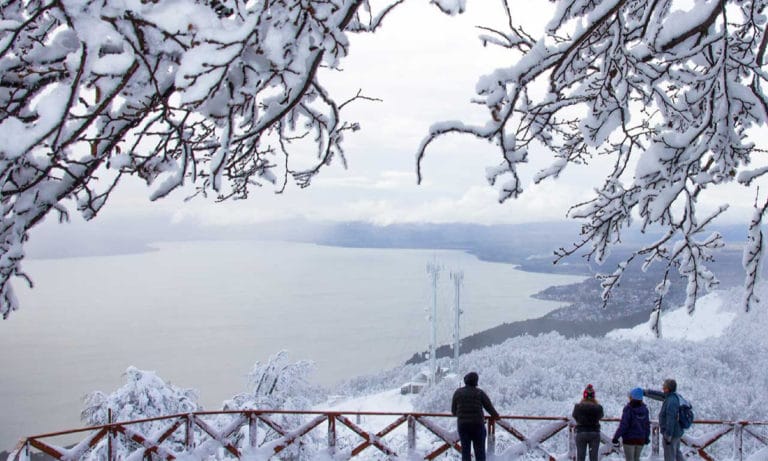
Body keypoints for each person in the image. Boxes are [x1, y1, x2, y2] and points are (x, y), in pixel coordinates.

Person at [451, 372, 500, 461]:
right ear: (476, 382)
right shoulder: (479, 393)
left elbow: (453, 411)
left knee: (465, 452)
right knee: (480, 451)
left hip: (463, 426)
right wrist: (496, 416)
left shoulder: (458, 392)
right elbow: (489, 408)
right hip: (477, 425)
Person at [644, 379, 684, 461]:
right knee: (677, 453)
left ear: (668, 388)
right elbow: (660, 395)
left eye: (664, 386)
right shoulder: (673, 397)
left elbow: (671, 419)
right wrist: (645, 392)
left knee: (670, 456)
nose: (662, 388)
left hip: (671, 434)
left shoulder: (671, 401)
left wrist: (668, 435)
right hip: (676, 432)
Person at [612, 387, 651, 461]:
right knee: (637, 459)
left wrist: (616, 437)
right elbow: (647, 425)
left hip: (629, 439)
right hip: (641, 439)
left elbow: (624, 425)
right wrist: (646, 437)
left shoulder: (628, 409)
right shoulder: (645, 409)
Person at [572, 384, 604, 461]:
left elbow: (574, 416)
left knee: (580, 457)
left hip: (581, 433)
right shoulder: (598, 407)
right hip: (594, 433)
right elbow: (601, 416)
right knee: (593, 458)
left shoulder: (578, 407)